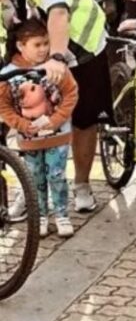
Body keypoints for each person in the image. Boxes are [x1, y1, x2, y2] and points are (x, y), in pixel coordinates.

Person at [0, 0, 112, 214]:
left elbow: (58, 12)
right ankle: (30, 189)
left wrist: (58, 57)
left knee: (84, 118)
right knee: (28, 113)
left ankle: (82, 186)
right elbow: (13, 28)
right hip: (37, 52)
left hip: (82, 45)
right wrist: (3, 5)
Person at [0, 19, 78, 237]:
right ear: (20, 46)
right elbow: (4, 106)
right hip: (29, 139)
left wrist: (56, 120)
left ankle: (61, 214)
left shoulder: (55, 68)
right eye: (37, 45)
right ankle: (41, 216)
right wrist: (22, 125)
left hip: (57, 136)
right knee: (35, 177)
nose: (43, 49)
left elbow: (71, 94)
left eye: (46, 43)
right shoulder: (9, 73)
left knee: (57, 175)